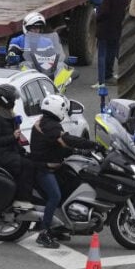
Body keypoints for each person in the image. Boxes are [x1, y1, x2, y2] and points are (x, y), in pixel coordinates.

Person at [28, 95, 100, 248]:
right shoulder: (50, 125)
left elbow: (59, 147)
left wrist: (78, 151)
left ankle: (58, 226)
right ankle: (44, 233)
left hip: (52, 165)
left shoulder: (46, 122)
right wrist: (92, 145)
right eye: (63, 110)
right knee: (55, 195)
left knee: (72, 184)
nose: (64, 113)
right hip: (43, 168)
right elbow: (67, 140)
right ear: (58, 109)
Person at [0, 84, 36, 211]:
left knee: (32, 160)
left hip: (8, 152)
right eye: (13, 100)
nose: (14, 102)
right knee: (27, 165)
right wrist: (13, 136)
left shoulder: (7, 114)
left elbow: (14, 143)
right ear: (5, 100)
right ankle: (21, 199)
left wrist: (24, 151)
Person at [95, 0, 129, 87]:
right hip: (117, 28)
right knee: (112, 52)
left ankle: (101, 81)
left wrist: (97, 18)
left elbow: (104, 11)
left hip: (104, 29)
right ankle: (112, 75)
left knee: (102, 55)